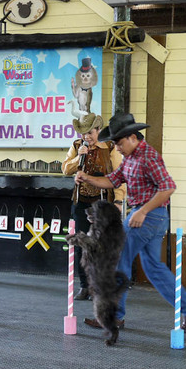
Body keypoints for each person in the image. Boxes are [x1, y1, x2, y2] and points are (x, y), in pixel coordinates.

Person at [74, 112, 186, 330]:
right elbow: (112, 180)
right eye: (114, 143)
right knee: (154, 269)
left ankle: (113, 316)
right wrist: (87, 178)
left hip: (146, 218)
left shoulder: (148, 157)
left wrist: (142, 211)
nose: (117, 147)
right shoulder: (130, 158)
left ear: (133, 137)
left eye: (119, 142)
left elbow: (168, 187)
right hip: (151, 218)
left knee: (117, 262)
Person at [62, 113, 125, 300]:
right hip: (81, 202)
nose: (87, 137)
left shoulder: (110, 147)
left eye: (90, 132)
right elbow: (65, 169)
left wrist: (119, 201)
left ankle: (101, 287)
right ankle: (85, 286)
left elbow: (119, 177)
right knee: (82, 245)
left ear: (98, 130)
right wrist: (77, 158)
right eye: (83, 133)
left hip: (103, 203)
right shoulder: (76, 146)